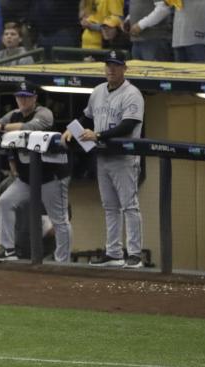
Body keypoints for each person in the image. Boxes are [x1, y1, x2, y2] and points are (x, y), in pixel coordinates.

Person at [63, 49, 144, 268]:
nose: (111, 69)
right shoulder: (98, 90)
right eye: (109, 65)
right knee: (110, 206)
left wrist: (97, 134)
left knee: (129, 206)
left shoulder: (132, 93)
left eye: (116, 65)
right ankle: (114, 253)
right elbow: (86, 116)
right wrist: (71, 128)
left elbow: (129, 124)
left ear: (124, 68)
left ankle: (135, 254)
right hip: (102, 157)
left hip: (124, 157)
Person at [0, 81, 72, 264]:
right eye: (20, 96)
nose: (22, 100)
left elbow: (30, 127)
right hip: (27, 178)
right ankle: (8, 249)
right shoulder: (13, 115)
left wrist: (0, 128)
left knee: (59, 220)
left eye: (27, 96)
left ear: (35, 98)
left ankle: (64, 262)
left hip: (51, 176)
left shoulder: (44, 113)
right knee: (5, 201)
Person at [131, 0, 205, 62]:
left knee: (199, 79)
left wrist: (141, 25)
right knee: (181, 82)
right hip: (178, 39)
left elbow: (162, 9)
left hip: (198, 39)